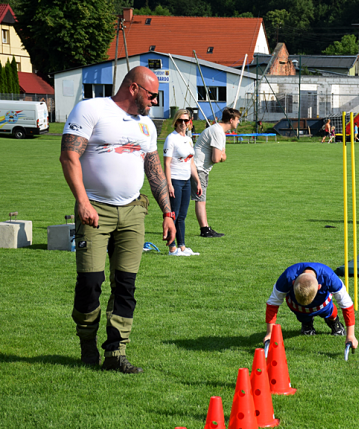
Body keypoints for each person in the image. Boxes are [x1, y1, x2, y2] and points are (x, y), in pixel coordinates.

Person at [60, 66, 176, 373]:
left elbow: (154, 170)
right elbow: (69, 156)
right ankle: (87, 342)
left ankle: (116, 353)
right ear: (134, 88)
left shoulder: (148, 126)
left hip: (133, 212)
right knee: (90, 283)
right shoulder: (91, 109)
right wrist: (83, 203)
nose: (155, 101)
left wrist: (167, 213)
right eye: (152, 95)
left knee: (125, 284)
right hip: (95, 210)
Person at [264, 262, 357, 350]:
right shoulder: (287, 276)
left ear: (319, 286)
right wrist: (269, 333)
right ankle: (307, 323)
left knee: (330, 312)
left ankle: (334, 322)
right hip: (297, 306)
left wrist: (350, 335)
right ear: (293, 283)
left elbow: (347, 304)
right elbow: (273, 303)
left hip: (322, 303)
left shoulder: (329, 276)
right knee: (303, 315)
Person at [192, 107, 240, 238]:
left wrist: (222, 155)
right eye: (237, 119)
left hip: (200, 167)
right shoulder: (218, 132)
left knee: (198, 199)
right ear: (231, 120)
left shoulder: (219, 131)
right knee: (200, 199)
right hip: (198, 168)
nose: (238, 122)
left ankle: (205, 227)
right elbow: (217, 158)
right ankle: (205, 229)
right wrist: (223, 156)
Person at [164, 109, 202, 256]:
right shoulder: (171, 138)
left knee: (182, 216)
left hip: (186, 181)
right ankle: (172, 248)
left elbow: (191, 162)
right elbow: (166, 163)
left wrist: (197, 181)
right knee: (174, 214)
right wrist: (169, 184)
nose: (183, 124)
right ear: (175, 121)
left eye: (186, 121)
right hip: (175, 179)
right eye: (180, 120)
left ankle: (182, 247)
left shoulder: (188, 139)